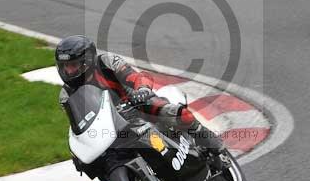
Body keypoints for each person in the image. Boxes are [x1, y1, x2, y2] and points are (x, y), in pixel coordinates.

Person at [54, 35, 226, 163]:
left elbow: (135, 76)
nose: (69, 71)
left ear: (87, 60)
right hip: (110, 125)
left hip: (137, 104)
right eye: (65, 67)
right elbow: (77, 121)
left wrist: (142, 90)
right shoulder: (66, 95)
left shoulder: (106, 62)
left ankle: (216, 148)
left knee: (180, 115)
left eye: (73, 65)